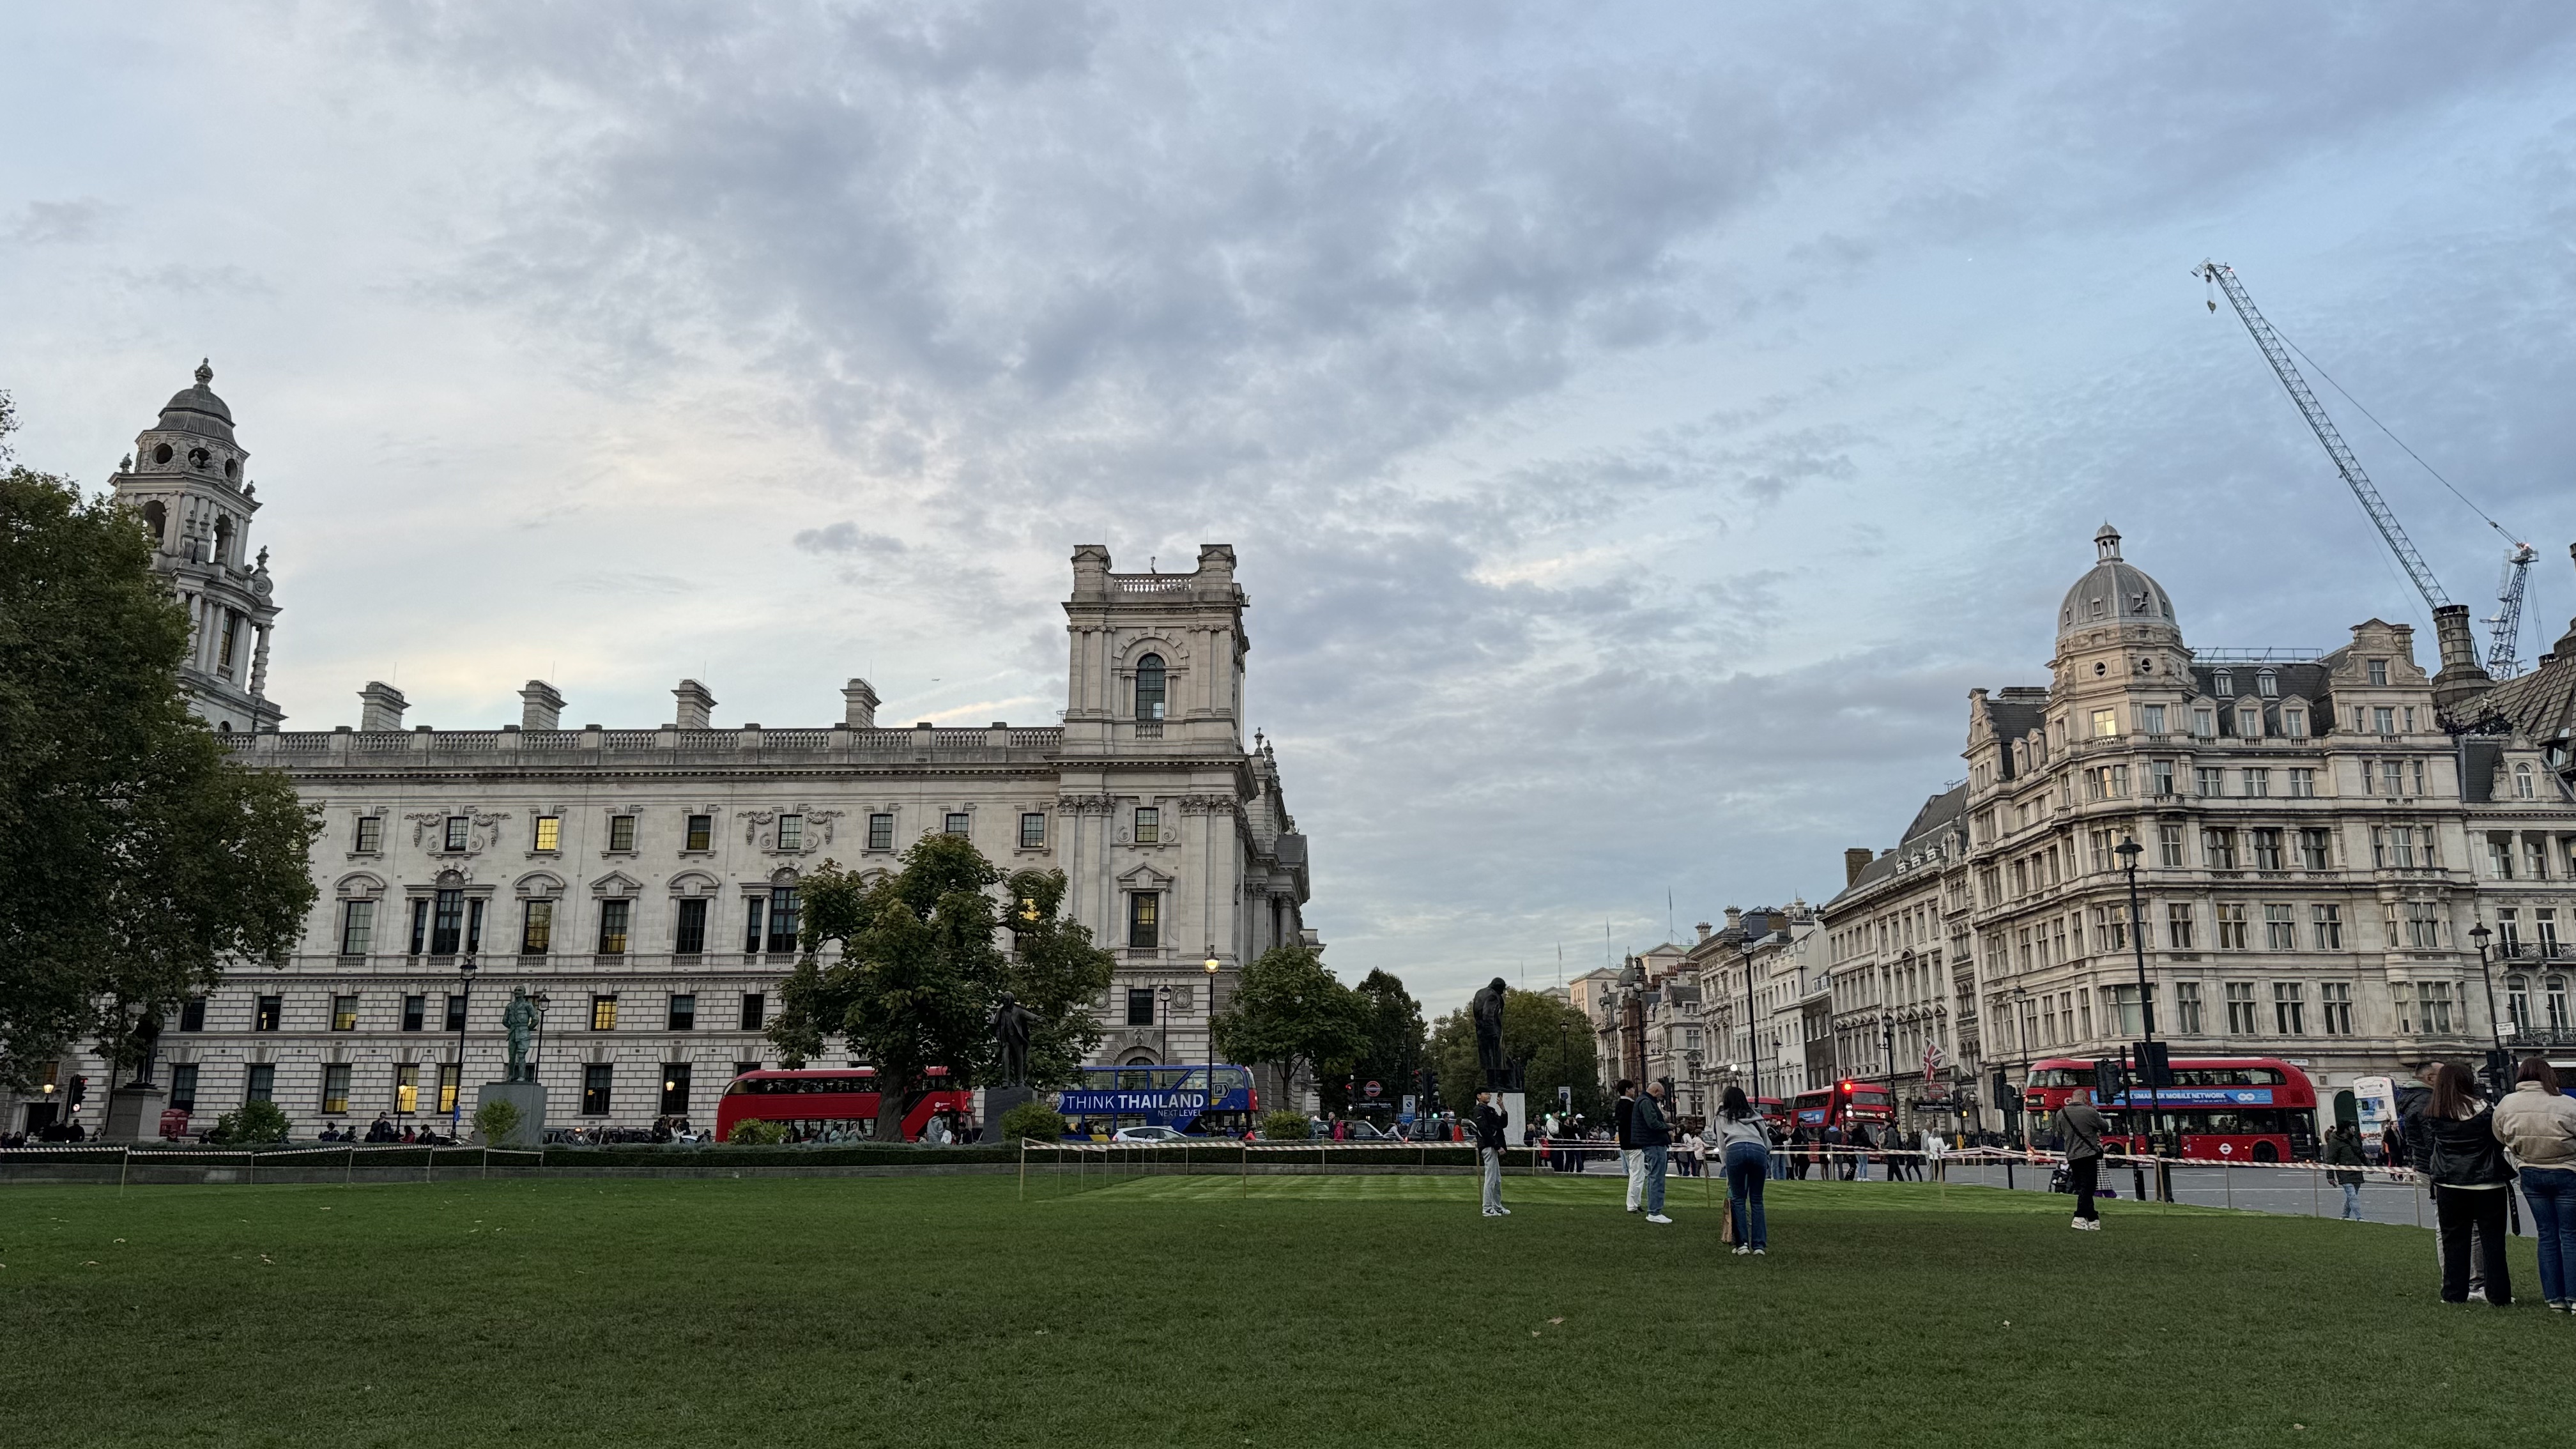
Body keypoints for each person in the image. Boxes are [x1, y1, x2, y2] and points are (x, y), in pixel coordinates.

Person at [2423, 1062, 2513, 1306]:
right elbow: (2497, 1142)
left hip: (2449, 1183)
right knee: (2493, 1242)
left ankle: (2454, 1294)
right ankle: (2498, 1294)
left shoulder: (2434, 1113)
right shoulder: (2485, 1111)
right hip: (2487, 1183)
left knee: (2454, 1242)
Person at [2492, 1055, 2576, 1310]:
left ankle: (2554, 1298)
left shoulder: (2507, 1104)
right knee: (2570, 1235)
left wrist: (2519, 1160)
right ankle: (2574, 1296)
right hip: (2566, 1169)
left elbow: (2499, 1135)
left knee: (2547, 1235)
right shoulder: (2567, 1104)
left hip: (2530, 1170)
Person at [2401, 1061, 2488, 1300]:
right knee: (2460, 1226)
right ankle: (2470, 1281)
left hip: (2430, 1167)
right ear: (2431, 1079)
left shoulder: (2413, 1100)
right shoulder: (2427, 1103)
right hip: (2443, 1170)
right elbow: (2436, 1141)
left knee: (2447, 1226)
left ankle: (2456, 1279)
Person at [1712, 1086, 1770, 1254]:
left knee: (1738, 1199)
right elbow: (1767, 1143)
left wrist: (1725, 1165)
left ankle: (1742, 1244)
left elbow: (1722, 1143)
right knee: (1757, 1199)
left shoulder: (1722, 1116)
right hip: (1758, 1149)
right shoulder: (1756, 1115)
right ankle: (1759, 1246)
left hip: (1735, 1149)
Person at [2051, 1087, 2106, 1230]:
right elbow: (2105, 1127)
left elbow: (2060, 1132)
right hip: (2088, 1154)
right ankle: (2079, 1216)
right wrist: (2095, 1113)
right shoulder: (2090, 1112)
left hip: (2072, 1155)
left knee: (2082, 1187)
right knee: (2088, 1187)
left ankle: (2093, 1219)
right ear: (2084, 1099)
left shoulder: (2061, 1113)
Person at [1634, 1080, 1674, 1224]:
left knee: (1655, 1177)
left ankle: (1654, 1210)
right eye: (1661, 1096)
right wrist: (1667, 1126)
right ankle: (1654, 1211)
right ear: (1656, 1092)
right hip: (1654, 1143)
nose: (1661, 1099)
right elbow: (1652, 1123)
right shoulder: (1646, 1102)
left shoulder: (1643, 1101)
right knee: (1657, 1177)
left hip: (1651, 1143)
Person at [1474, 1090, 1510, 1217]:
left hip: (1493, 1146)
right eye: (1485, 1094)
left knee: (1497, 1180)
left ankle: (1496, 1206)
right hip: (1488, 1146)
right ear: (1479, 1096)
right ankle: (1487, 1208)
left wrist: (1503, 1109)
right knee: (1491, 1178)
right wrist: (1497, 1145)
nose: (1489, 1095)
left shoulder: (1490, 1110)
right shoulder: (1479, 1111)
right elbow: (1484, 1130)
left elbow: (1502, 1124)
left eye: (1489, 1094)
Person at [2321, 1123, 2366, 1221]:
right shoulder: (2335, 1142)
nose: (2353, 1129)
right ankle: (2359, 1218)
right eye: (2351, 1127)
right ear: (2346, 1129)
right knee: (2352, 1195)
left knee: (2352, 1196)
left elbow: (2360, 1154)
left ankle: (2345, 1215)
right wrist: (2330, 1176)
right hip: (2344, 1173)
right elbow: (2331, 1160)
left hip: (2357, 1171)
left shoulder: (2354, 1139)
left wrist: (2369, 1166)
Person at [1613, 1080, 1643, 1211]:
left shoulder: (1619, 1105)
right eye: (1632, 1088)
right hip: (1634, 1143)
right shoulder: (1632, 1105)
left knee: (1637, 1174)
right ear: (1627, 1090)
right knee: (1637, 1175)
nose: (1634, 1090)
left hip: (1625, 1143)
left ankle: (1637, 1202)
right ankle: (1632, 1204)